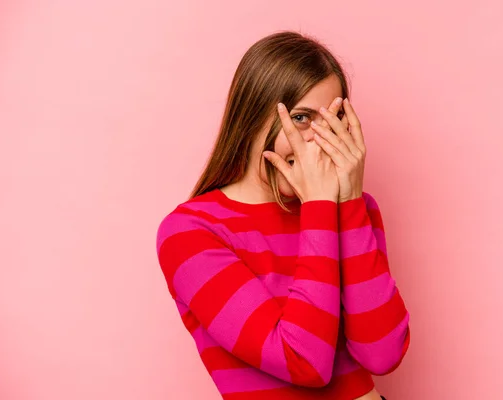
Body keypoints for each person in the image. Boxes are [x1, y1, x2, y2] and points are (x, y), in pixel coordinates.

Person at [156, 30, 410, 400]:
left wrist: (349, 201)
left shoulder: (356, 208)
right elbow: (304, 360)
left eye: (332, 118)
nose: (318, 139)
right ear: (252, 117)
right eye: (302, 117)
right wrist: (321, 209)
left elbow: (382, 353)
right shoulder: (191, 232)